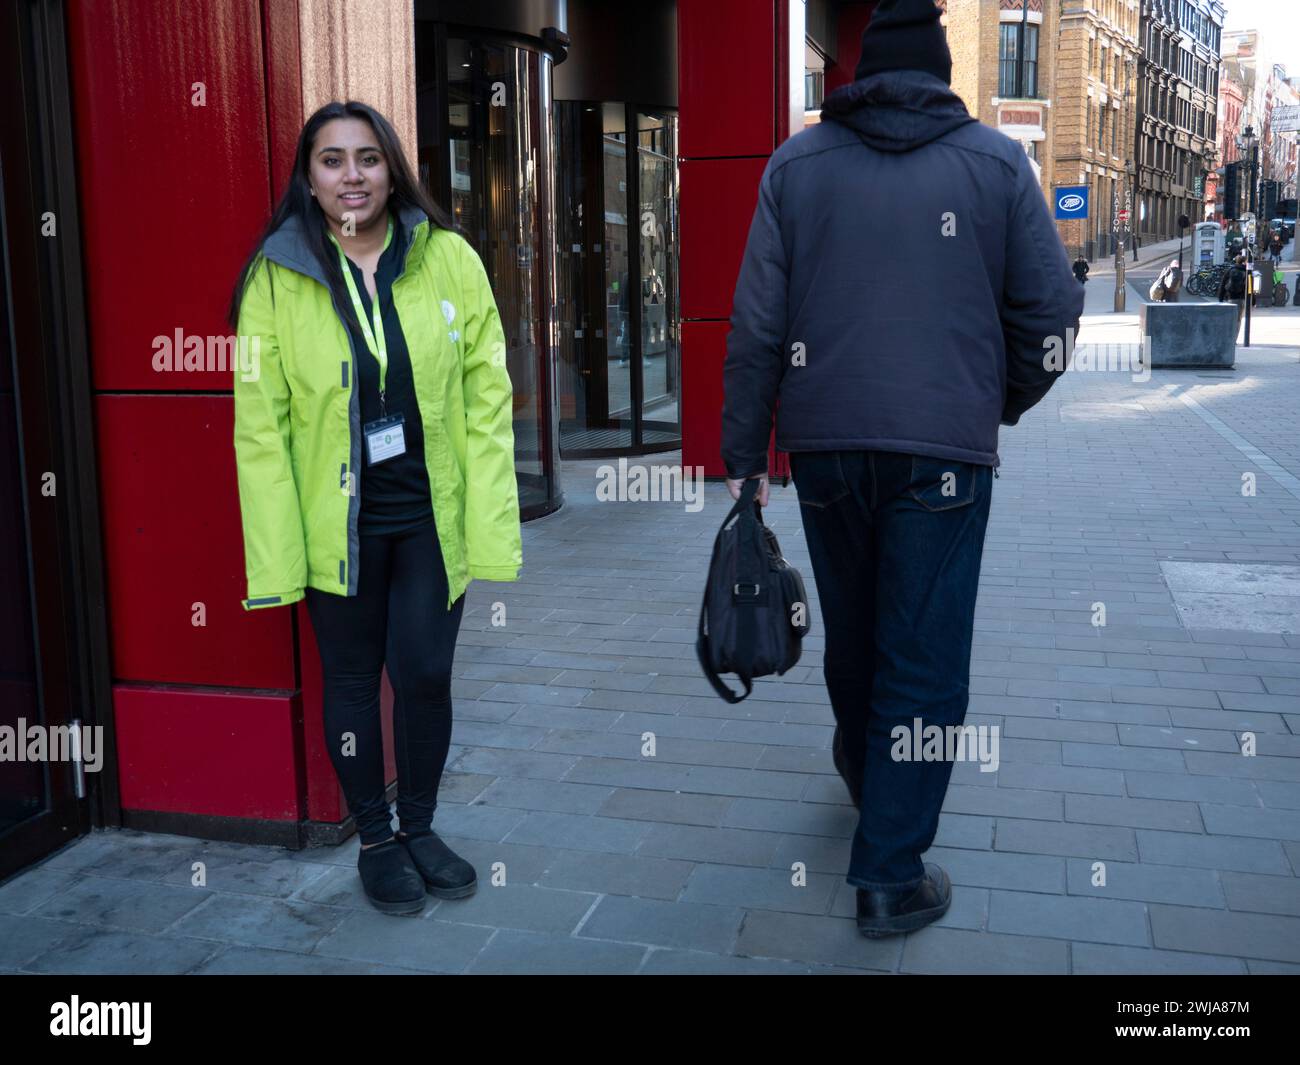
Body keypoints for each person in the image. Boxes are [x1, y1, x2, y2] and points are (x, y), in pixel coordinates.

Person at [720, 0, 1083, 939]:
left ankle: (865, 776)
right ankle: (888, 872)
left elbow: (757, 326)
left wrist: (742, 458)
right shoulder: (999, 163)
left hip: (827, 447)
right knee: (923, 656)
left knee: (855, 631)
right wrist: (988, 400)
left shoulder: (796, 165)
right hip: (943, 459)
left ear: (854, 74)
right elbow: (1049, 320)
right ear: (944, 74)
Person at [228, 100, 522, 916]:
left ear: (393, 169)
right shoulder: (277, 275)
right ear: (309, 176)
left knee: (424, 673)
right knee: (354, 682)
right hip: (339, 528)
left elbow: (485, 395)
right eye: (332, 160)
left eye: (367, 158)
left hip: (430, 514)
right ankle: (376, 838)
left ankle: (421, 827)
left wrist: (491, 523)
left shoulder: (449, 260)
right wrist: (280, 552)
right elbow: (262, 427)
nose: (351, 175)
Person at [1217, 251, 1249, 337]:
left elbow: (1223, 284)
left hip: (1230, 298)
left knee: (1230, 319)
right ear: (1243, 262)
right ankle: (1234, 338)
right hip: (1240, 298)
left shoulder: (1230, 270)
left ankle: (1227, 337)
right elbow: (1249, 288)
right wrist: (1252, 301)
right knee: (1237, 320)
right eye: (1246, 261)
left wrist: (1220, 298)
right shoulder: (1247, 272)